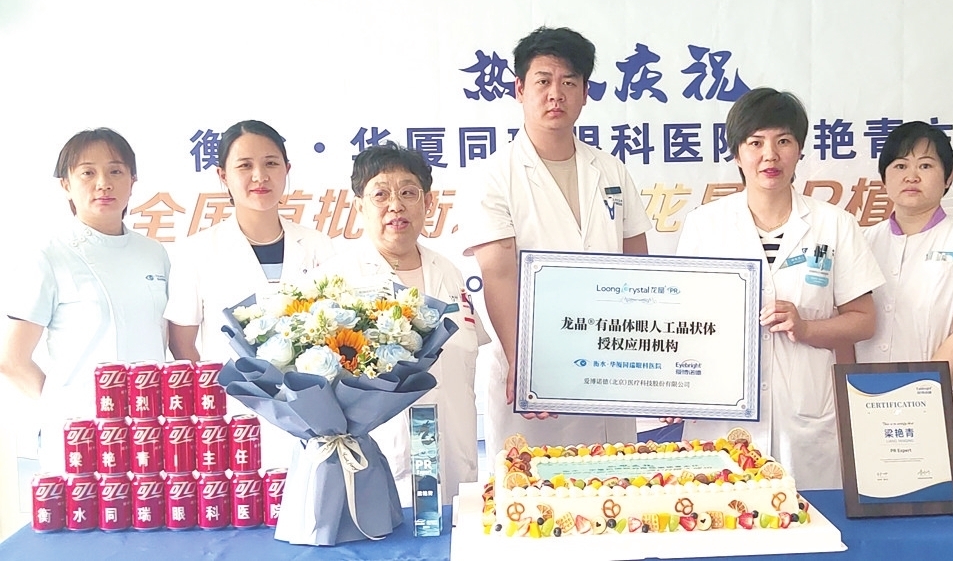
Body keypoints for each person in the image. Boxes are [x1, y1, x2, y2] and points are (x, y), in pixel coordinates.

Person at [675, 88, 884, 490]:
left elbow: (864, 321)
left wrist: (806, 328)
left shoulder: (834, 224)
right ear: (737, 154)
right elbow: (682, 321)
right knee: (724, 517)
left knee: (813, 522)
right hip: (723, 416)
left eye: (783, 141)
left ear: (799, 150)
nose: (769, 155)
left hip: (806, 417)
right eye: (755, 142)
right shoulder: (705, 225)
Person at [462, 26, 652, 462]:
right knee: (532, 487)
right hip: (535, 360)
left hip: (610, 359)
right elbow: (499, 274)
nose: (555, 94)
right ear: (519, 89)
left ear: (585, 93)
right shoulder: (493, 176)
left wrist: (644, 357)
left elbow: (638, 265)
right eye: (543, 81)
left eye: (569, 82)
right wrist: (523, 363)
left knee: (616, 484)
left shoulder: (611, 170)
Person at [317, 143, 490, 506]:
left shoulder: (449, 271)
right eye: (380, 194)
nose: (395, 205)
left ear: (428, 203)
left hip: (456, 451)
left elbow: (465, 354)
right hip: (380, 459)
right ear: (359, 207)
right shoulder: (336, 280)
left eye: (408, 193)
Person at [0, 128, 181, 473]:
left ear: (133, 180)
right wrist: (65, 410)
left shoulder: (154, 254)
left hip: (149, 431)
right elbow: (12, 361)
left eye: (115, 171)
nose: (103, 183)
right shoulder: (49, 255)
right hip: (81, 437)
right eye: (87, 172)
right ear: (66, 184)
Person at [165, 120, 334, 467]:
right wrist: (215, 400)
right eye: (244, 165)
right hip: (233, 417)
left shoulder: (318, 246)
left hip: (313, 415)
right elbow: (182, 345)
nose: (260, 176)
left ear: (287, 170)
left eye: (271, 163)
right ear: (223, 176)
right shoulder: (197, 252)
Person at [855, 121, 953, 437]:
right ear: (884, 177)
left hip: (937, 406)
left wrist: (918, 395)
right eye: (900, 165)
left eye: (925, 165)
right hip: (866, 405)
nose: (912, 176)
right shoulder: (861, 243)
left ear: (949, 176)